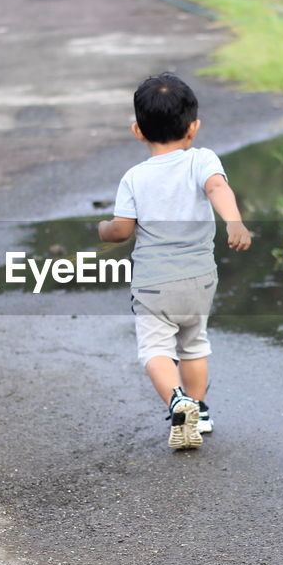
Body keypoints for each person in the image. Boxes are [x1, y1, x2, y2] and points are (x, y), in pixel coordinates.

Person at [98, 74, 252, 450]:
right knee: (194, 345)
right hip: (199, 279)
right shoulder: (203, 160)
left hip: (154, 284)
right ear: (194, 127)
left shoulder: (134, 178)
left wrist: (103, 229)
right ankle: (200, 408)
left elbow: (122, 230)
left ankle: (178, 402)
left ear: (138, 131)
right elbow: (218, 187)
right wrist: (234, 220)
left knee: (156, 350)